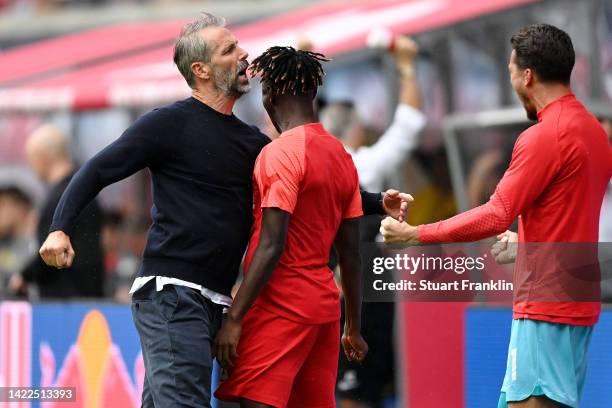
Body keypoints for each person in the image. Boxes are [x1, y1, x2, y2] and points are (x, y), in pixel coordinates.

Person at [38, 13, 412, 408]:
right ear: (200, 70)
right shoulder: (167, 124)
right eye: (229, 49)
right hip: (172, 294)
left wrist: (375, 201)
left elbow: (312, 188)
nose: (244, 53)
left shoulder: (254, 144)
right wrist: (59, 228)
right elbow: (98, 169)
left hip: (217, 300)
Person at [380, 24, 612, 408]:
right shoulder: (594, 133)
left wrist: (414, 234)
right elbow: (570, 216)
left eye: (510, 72)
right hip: (577, 305)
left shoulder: (543, 136)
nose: (511, 83)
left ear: (528, 75)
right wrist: (527, 244)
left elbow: (495, 214)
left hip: (545, 307)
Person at [214, 45, 367, 408]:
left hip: (279, 307)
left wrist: (234, 319)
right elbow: (351, 251)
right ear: (312, 93)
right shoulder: (341, 156)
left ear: (269, 94)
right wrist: (354, 327)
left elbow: (272, 244)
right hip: (324, 312)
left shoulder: (280, 153)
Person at [18, 124, 105, 299]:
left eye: (31, 159)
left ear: (43, 157)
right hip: (90, 294)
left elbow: (48, 252)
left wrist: (23, 276)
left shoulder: (59, 199)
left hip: (63, 300)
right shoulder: (85, 191)